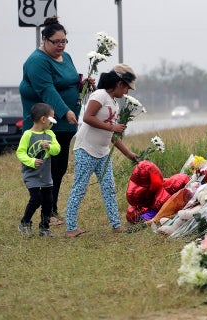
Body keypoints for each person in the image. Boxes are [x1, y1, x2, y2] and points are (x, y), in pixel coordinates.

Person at [19, 16, 93, 226]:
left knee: (59, 168)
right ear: (44, 39)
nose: (61, 45)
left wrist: (82, 84)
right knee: (45, 170)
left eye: (64, 41)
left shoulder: (66, 57)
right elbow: (47, 89)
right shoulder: (37, 61)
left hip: (65, 124)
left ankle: (52, 209)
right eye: (56, 42)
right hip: (45, 123)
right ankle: (45, 213)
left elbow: (67, 81)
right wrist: (65, 111)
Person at [64, 64, 138, 238]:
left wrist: (128, 153)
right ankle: (70, 228)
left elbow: (111, 134)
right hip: (86, 149)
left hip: (103, 152)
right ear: (120, 83)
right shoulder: (100, 95)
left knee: (109, 188)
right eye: (127, 87)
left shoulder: (114, 103)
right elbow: (87, 118)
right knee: (79, 188)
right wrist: (113, 127)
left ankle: (116, 225)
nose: (127, 92)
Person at [16, 103, 61, 238]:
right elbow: (21, 153)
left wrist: (49, 147)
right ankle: (24, 222)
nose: (53, 121)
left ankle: (44, 228)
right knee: (36, 199)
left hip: (46, 175)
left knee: (48, 201)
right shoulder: (27, 135)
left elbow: (57, 149)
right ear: (43, 119)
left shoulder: (50, 134)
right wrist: (31, 161)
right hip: (31, 174)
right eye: (51, 118)